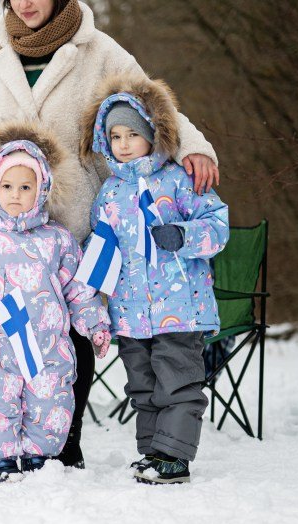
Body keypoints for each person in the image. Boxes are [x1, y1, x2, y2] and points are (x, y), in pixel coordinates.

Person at [0, 0, 220, 476]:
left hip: (73, 219)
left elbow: (147, 105)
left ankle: (64, 440)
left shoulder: (98, 51)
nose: (27, 3)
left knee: (69, 332)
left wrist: (194, 147)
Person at [81, 74, 230, 484]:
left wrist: (184, 236)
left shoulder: (178, 179)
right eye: (115, 136)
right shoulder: (108, 194)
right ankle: (153, 452)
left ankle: (174, 456)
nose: (124, 143)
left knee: (177, 381)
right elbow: (100, 248)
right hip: (130, 313)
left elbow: (217, 225)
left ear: (153, 133)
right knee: (143, 387)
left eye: (133, 133)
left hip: (179, 308)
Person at [0, 120, 110, 483]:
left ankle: (39, 457)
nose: (15, 194)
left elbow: (78, 289)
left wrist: (95, 325)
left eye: (25, 186)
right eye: (7, 186)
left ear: (42, 189)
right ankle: (0, 461)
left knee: (50, 402)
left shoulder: (58, 240)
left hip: (46, 347)